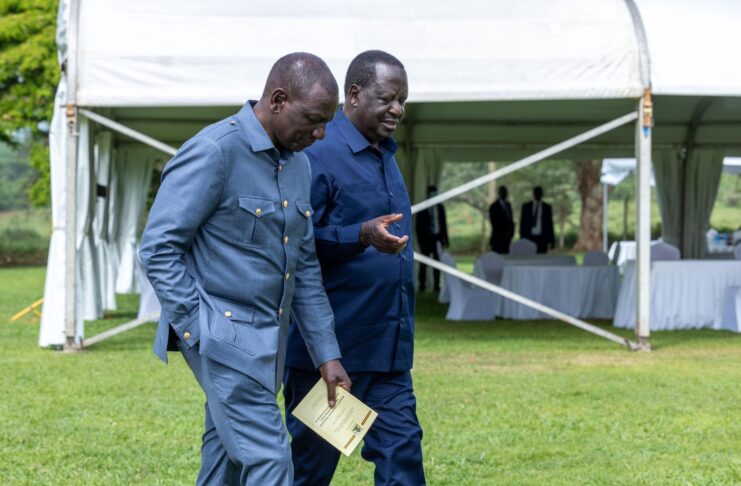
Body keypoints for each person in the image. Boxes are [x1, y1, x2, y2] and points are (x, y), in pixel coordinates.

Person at [139, 52, 351, 486]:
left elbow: (304, 267)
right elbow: (159, 247)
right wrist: (200, 328)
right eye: (313, 119)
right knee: (270, 460)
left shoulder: (299, 164)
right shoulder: (215, 151)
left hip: (268, 342)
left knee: (226, 460)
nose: (321, 133)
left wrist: (327, 355)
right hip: (223, 336)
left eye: (327, 121)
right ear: (277, 99)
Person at [284, 50, 426, 486]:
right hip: (330, 357)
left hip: (387, 354)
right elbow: (294, 245)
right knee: (310, 470)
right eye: (387, 98)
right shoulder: (319, 153)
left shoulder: (386, 155)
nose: (398, 109)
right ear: (354, 94)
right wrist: (359, 235)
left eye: (402, 100)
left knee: (402, 455)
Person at [416, 184, 448, 292]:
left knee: (437, 262)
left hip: (437, 238)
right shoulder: (422, 207)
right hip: (426, 239)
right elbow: (418, 226)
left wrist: (445, 239)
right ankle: (422, 285)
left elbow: (443, 224)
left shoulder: (440, 207)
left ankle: (436, 285)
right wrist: (420, 241)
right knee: (424, 263)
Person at [520, 186, 555, 254]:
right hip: (529, 237)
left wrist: (552, 241)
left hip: (542, 238)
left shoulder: (547, 207)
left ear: (542, 194)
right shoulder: (526, 207)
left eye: (539, 192)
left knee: (542, 257)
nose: (538, 194)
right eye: (536, 192)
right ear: (533, 194)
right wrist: (522, 237)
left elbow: (550, 224)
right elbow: (522, 223)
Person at [488, 185, 514, 254]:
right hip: (497, 238)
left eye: (505, 192)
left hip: (507, 239)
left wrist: (511, 233)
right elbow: (494, 222)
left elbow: (510, 220)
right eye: (502, 192)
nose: (504, 194)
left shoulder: (508, 205)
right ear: (499, 193)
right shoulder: (494, 207)